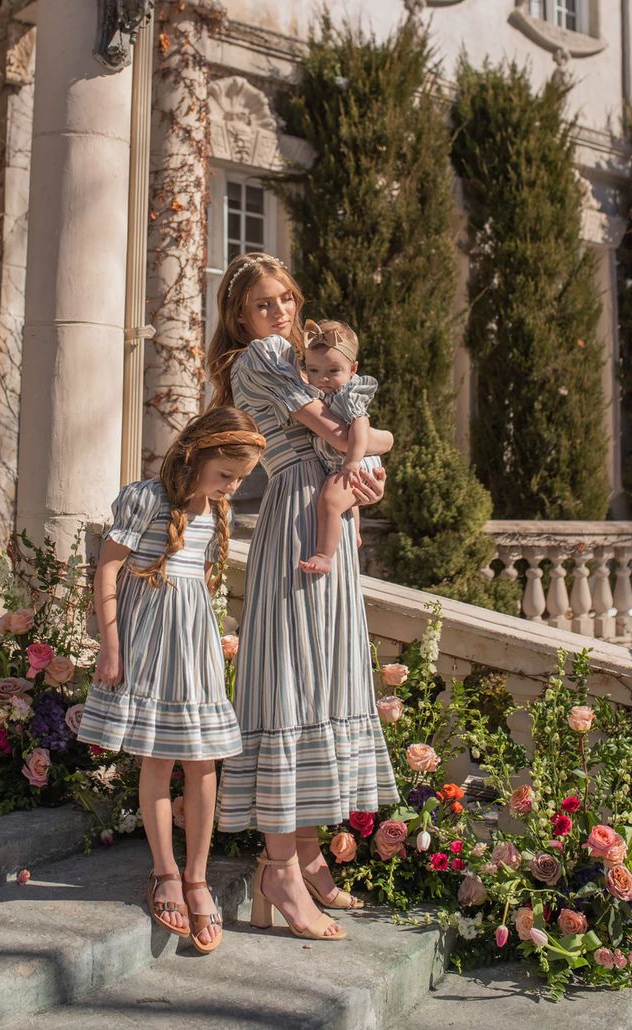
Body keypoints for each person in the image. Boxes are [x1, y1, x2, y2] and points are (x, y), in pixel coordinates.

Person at [208, 252, 399, 942]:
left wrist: (366, 465)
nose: (281, 313)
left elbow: (363, 439)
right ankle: (279, 867)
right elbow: (348, 433)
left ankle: (309, 854)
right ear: (240, 316)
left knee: (318, 679)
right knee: (292, 680)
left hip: (328, 518)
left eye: (286, 299)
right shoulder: (259, 358)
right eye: (265, 303)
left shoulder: (298, 361)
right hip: (296, 517)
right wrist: (370, 445)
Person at [78, 408, 265, 954]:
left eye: (239, 478)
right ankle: (164, 871)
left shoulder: (213, 510)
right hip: (147, 640)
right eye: (226, 474)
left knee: (203, 761)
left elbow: (196, 587)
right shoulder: (145, 498)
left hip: (194, 645)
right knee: (158, 759)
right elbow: (108, 569)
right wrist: (111, 647)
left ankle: (198, 876)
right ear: (198, 453)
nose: (232, 485)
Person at [298, 319, 381, 575]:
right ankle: (354, 531)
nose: (322, 378)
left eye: (333, 371)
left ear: (352, 369)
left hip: (354, 458)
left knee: (330, 501)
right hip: (343, 461)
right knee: (343, 498)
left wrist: (353, 461)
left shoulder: (347, 394)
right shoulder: (318, 393)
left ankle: (324, 555)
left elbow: (360, 425)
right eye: (313, 370)